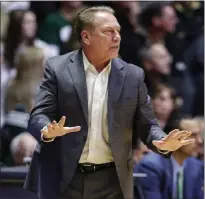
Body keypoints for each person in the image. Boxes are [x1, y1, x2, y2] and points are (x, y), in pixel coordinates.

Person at [24, 6, 194, 199]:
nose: (117, 37)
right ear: (86, 37)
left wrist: (161, 141)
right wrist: (47, 130)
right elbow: (37, 116)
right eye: (108, 31)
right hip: (64, 177)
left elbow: (148, 125)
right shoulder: (57, 68)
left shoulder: (132, 75)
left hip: (112, 180)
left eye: (118, 31)